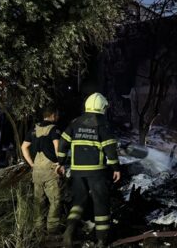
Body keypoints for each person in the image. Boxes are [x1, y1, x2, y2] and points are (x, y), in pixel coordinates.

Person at [57, 93, 121, 247]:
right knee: (100, 203)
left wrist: (60, 162)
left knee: (78, 202)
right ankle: (101, 239)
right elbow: (110, 150)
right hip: (96, 172)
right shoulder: (102, 124)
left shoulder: (75, 122)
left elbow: (62, 143)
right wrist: (116, 168)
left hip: (77, 171)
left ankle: (70, 229)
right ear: (102, 107)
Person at [21, 107, 62, 234]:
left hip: (37, 170)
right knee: (55, 200)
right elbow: (57, 148)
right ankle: (52, 228)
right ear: (53, 115)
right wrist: (60, 163)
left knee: (38, 200)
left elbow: (24, 147)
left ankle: (38, 228)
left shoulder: (34, 129)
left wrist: (32, 164)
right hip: (50, 170)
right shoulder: (54, 129)